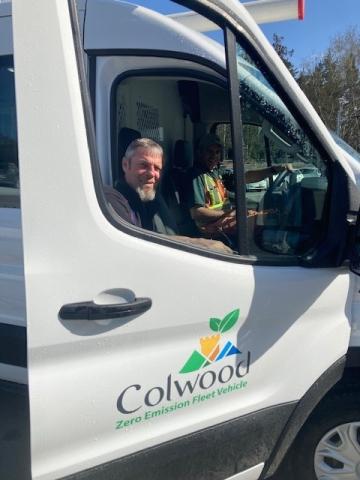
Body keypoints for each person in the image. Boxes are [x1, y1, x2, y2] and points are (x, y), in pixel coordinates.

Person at [104, 138, 232, 254]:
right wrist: (199, 243)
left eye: (157, 168)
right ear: (125, 165)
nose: (152, 174)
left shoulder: (147, 199)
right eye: (143, 165)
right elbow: (134, 245)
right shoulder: (113, 201)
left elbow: (156, 236)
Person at [187, 133, 290, 236]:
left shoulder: (217, 172)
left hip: (224, 220)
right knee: (267, 221)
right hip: (210, 230)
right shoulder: (196, 176)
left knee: (271, 215)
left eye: (217, 152)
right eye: (209, 152)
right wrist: (228, 213)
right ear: (200, 153)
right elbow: (197, 213)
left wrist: (274, 169)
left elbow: (245, 177)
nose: (214, 156)